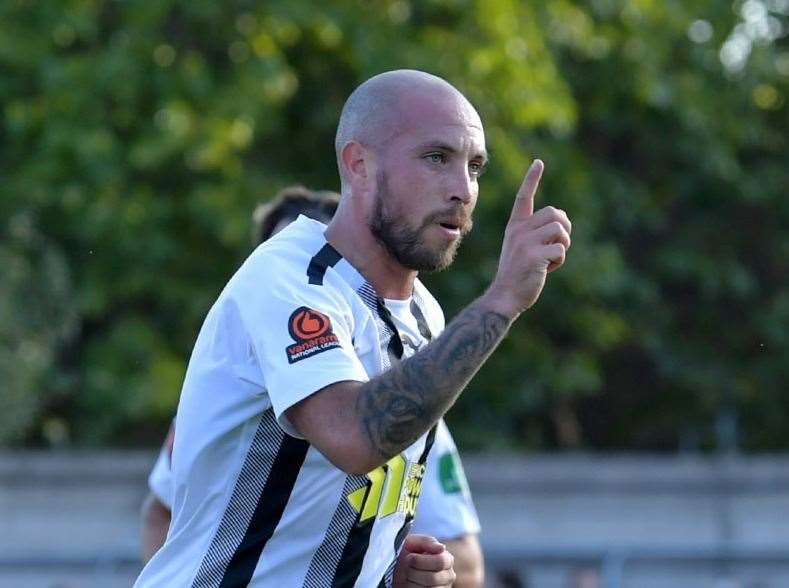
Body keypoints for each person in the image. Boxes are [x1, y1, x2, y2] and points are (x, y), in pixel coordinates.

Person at [134, 69, 571, 587]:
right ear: (359, 164)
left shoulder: (425, 315)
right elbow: (357, 436)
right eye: (437, 158)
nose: (462, 190)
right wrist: (501, 300)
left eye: (474, 167)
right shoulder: (288, 280)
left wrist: (394, 575)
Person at [140, 186, 484, 585]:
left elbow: (466, 565)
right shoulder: (222, 410)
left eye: (323, 266)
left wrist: (404, 572)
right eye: (289, 259)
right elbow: (160, 514)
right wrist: (504, 295)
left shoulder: (408, 406)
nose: (304, 291)